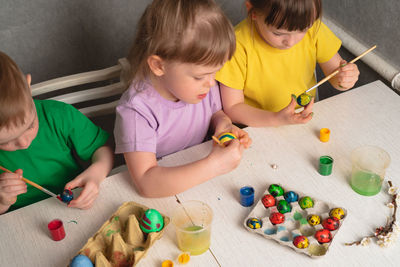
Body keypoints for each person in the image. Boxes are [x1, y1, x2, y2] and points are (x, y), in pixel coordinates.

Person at [114, 0, 252, 198]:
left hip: (202, 186)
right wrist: (214, 165)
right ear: (159, 66)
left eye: (215, 72)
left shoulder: (200, 86)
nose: (212, 83)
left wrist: (224, 124)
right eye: (199, 76)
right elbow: (146, 183)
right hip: (165, 196)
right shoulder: (136, 112)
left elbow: (215, 112)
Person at [0, 51, 114, 214]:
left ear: (28, 86)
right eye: (5, 142)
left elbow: (102, 148)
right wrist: (2, 200)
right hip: (22, 221)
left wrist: (97, 172)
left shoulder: (59, 115)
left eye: (30, 125)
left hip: (75, 203)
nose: (24, 143)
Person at [216, 0, 360, 127]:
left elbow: (335, 76)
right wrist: (277, 119)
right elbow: (233, 108)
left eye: (302, 30)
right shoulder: (236, 45)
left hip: (304, 120)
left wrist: (345, 79)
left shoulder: (314, 29)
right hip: (255, 129)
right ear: (252, 11)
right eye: (278, 33)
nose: (290, 42)